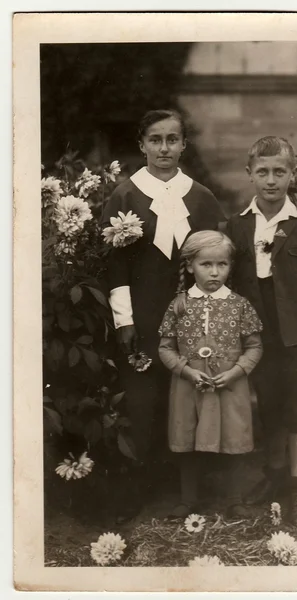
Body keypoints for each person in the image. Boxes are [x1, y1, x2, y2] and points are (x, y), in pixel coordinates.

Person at [101, 109, 224, 520]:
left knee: (187, 399)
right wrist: (125, 321)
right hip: (144, 314)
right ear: (142, 145)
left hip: (191, 317)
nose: (165, 148)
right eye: (156, 139)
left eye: (173, 139)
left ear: (184, 145)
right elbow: (115, 267)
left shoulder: (202, 197)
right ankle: (141, 486)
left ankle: (188, 489)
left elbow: (217, 260)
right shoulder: (125, 196)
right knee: (142, 399)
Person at [226, 136, 297, 529]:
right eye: (263, 172)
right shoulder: (237, 226)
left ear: (292, 174)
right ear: (250, 175)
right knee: (268, 403)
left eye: (279, 172)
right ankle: (274, 477)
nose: (271, 180)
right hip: (257, 332)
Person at [158, 231, 263, 518]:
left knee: (233, 438)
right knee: (187, 437)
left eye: (222, 264)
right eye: (206, 265)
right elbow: (165, 348)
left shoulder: (239, 305)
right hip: (189, 385)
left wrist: (237, 372)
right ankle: (188, 500)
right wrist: (186, 371)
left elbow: (254, 347)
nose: (215, 272)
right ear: (190, 266)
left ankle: (234, 499)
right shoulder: (179, 305)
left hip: (229, 385)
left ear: (230, 266)